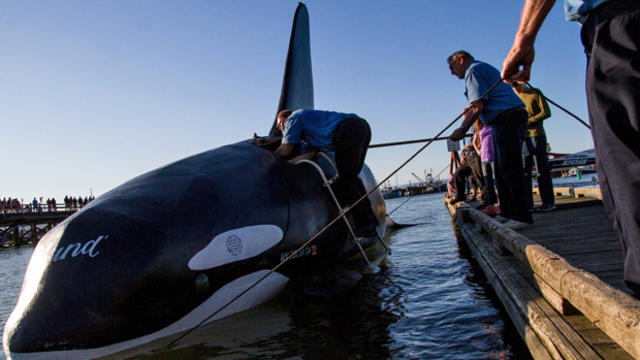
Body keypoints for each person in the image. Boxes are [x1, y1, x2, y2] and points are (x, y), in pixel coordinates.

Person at [501, 0, 640, 297]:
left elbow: (543, 113)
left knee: (624, 163)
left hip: (620, 21)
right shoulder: (517, 98)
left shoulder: (532, 95)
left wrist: (524, 36)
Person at [447, 50, 533, 230]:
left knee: (510, 167)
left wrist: (463, 128)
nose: (452, 72)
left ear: (461, 60)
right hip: (505, 119)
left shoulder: (472, 71)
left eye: (452, 67)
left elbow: (477, 105)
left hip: (507, 118)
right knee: (501, 169)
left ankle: (521, 216)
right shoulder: (482, 68)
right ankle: (507, 212)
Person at [274, 109, 379, 238]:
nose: (282, 131)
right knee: (351, 179)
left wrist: (272, 159)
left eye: (280, 127)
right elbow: (309, 154)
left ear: (284, 121)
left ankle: (365, 225)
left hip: (349, 129)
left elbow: (286, 149)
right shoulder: (309, 138)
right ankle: (370, 222)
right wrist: (289, 163)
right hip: (361, 127)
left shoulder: (293, 118)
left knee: (346, 181)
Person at [514, 84, 555, 212]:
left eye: (515, 85)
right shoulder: (515, 98)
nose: (514, 88)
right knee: (525, 172)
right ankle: (528, 204)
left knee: (541, 170)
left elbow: (546, 112)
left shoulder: (535, 93)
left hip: (536, 135)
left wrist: (528, 121)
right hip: (523, 139)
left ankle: (548, 202)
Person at [474, 120, 499, 216]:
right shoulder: (479, 128)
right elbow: (474, 141)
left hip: (494, 155)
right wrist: (478, 151)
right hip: (484, 157)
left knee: (497, 181)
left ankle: (501, 204)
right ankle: (491, 205)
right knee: (488, 181)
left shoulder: (492, 124)